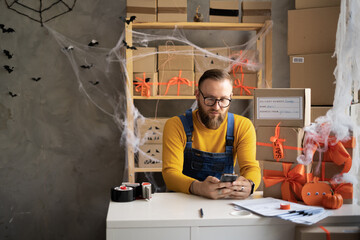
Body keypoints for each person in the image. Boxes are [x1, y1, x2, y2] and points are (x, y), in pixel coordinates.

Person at [162, 69, 260, 199]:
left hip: (224, 202)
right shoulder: (176, 125)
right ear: (197, 95)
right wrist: (198, 187)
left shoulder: (242, 126)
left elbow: (250, 168)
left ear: (231, 97)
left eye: (224, 100)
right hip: (183, 201)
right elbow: (170, 174)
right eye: (210, 99)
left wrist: (249, 185)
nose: (216, 107)